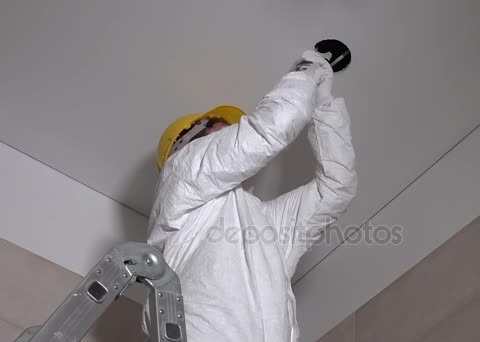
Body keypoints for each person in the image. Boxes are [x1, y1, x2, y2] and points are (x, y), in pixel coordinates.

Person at [144, 51, 357, 341]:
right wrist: (307, 72)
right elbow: (274, 126)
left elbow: (336, 187)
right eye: (216, 124)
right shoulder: (182, 170)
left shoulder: (261, 222)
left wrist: (323, 106)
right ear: (185, 141)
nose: (229, 130)